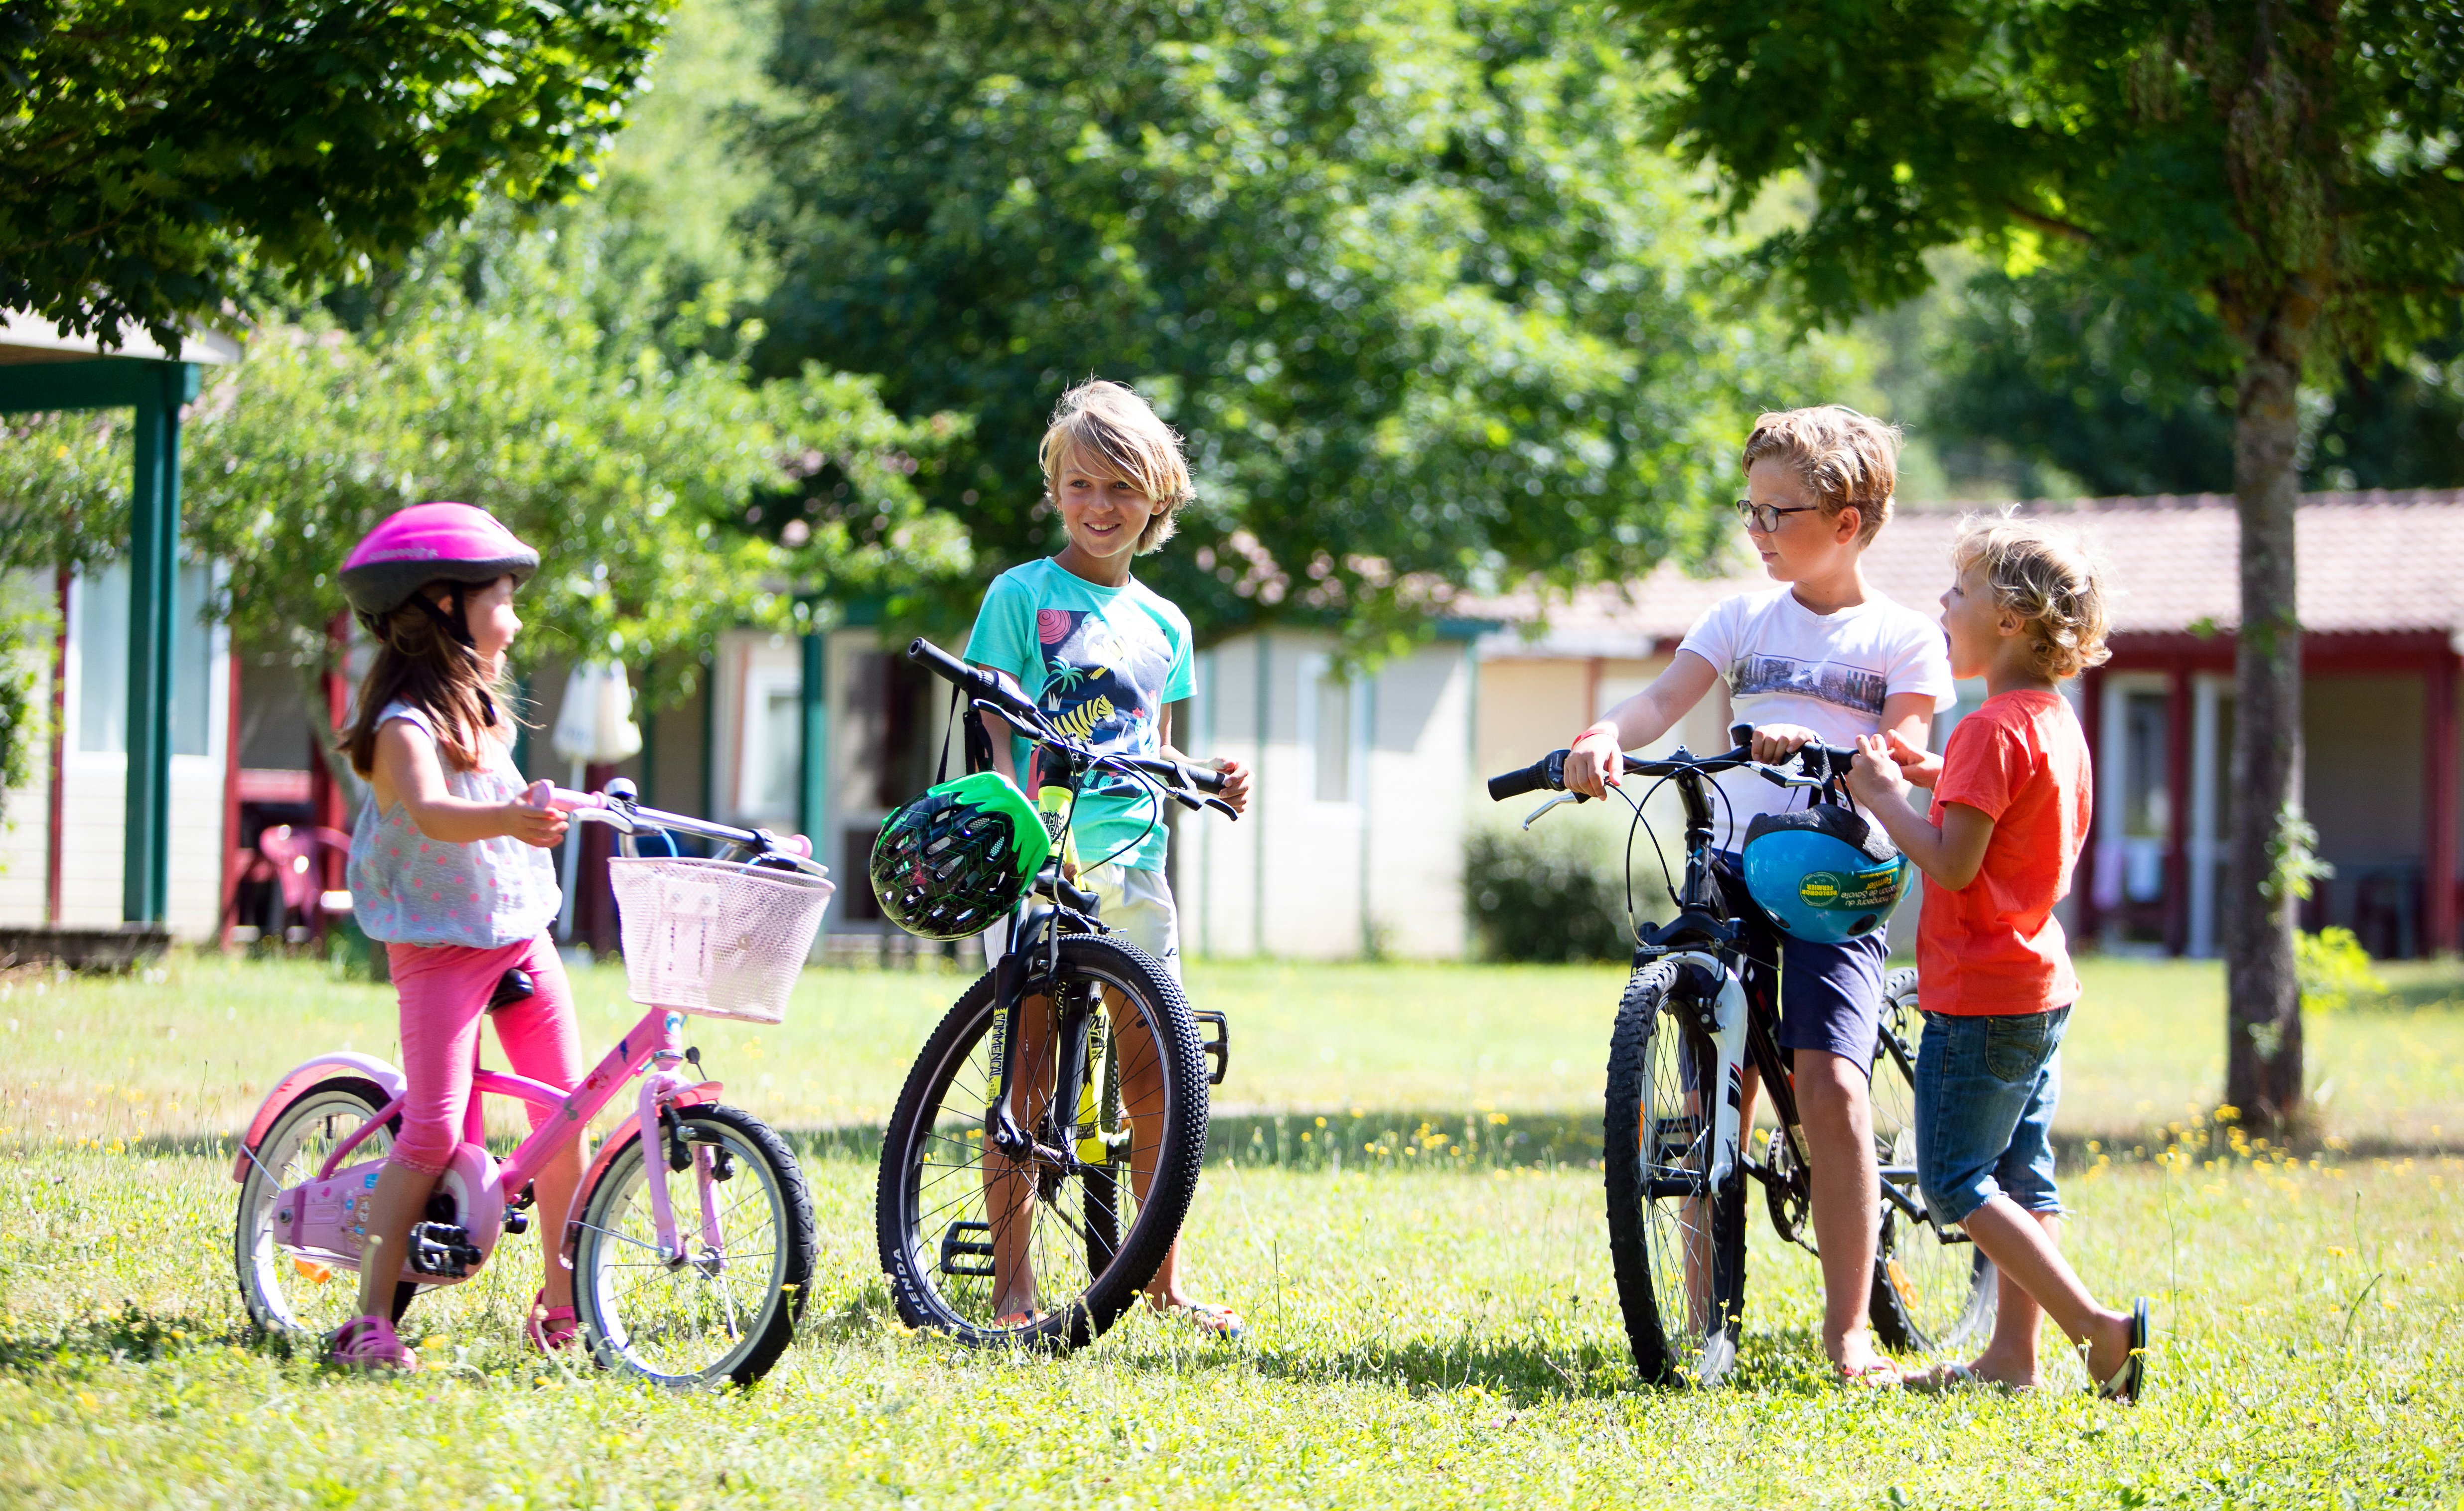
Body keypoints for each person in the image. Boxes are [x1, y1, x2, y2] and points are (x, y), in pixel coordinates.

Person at [1565, 406, 1956, 1384]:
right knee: (1710, 1096)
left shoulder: (1903, 637)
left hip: (1834, 876)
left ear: (1847, 522)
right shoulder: (1738, 619)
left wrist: (1835, 746)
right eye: (1750, 510)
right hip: (1735, 865)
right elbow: (1662, 701)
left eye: (1777, 513)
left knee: (1831, 1085)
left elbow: (1907, 748)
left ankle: (1848, 1332)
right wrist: (1605, 734)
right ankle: (1708, 1321)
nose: (1757, 530)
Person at [964, 379, 1253, 1339]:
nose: (1099, 505)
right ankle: (1013, 1290)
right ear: (1055, 490)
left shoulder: (1166, 624)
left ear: (1157, 497)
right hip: (1044, 854)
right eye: (1081, 484)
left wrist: (1212, 777)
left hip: (1136, 861)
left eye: (1121, 487)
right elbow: (992, 726)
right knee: (1027, 1074)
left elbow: (1156, 749)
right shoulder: (1020, 595)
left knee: (1155, 1074)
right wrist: (1015, 832)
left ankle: (1160, 1282)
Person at [1845, 516, 2150, 1398]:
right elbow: (2007, 805)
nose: (1942, 604)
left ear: (2010, 618)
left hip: (1978, 993)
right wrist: (1930, 770)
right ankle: (2012, 1357)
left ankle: (2099, 1331)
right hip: (2037, 983)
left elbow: (1950, 861)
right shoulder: (2052, 722)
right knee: (2023, 1170)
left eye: (1960, 590)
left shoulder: (1986, 729)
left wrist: (1884, 796)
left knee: (1952, 1182)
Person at [326, 502, 584, 1372]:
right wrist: (510, 815)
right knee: (433, 1132)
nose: (514, 621)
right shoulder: (403, 725)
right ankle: (369, 1318)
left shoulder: (485, 714)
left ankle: (563, 1306)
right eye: (501, 600)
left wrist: (547, 807)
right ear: (444, 605)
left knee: (564, 1115)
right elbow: (435, 813)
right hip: (438, 946)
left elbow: (495, 808)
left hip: (516, 933)